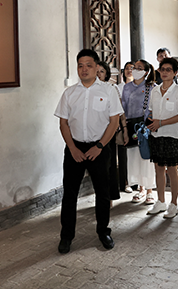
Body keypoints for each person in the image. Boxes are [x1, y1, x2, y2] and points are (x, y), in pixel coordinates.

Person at [54, 49, 123, 254]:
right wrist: (73, 148)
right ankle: (66, 236)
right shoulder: (69, 93)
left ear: (96, 67)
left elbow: (114, 122)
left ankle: (103, 232)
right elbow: (63, 123)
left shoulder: (109, 91)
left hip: (100, 148)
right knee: (70, 195)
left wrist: (100, 146)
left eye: (89, 65)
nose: (84, 69)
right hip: (74, 148)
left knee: (102, 193)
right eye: (80, 66)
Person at [146, 57, 178, 218]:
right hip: (157, 135)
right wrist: (151, 122)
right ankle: (160, 201)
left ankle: (174, 204)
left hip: (173, 136)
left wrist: (161, 123)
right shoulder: (155, 91)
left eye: (168, 70)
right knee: (158, 169)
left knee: (172, 170)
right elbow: (151, 111)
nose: (164, 73)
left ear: (175, 72)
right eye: (162, 69)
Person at [121, 59, 157, 205]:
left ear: (146, 72)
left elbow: (155, 108)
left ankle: (150, 191)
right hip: (131, 127)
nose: (135, 70)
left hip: (146, 127)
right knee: (134, 157)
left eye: (139, 68)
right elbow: (123, 108)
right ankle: (140, 189)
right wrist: (124, 127)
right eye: (134, 67)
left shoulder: (152, 87)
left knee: (146, 157)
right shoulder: (127, 87)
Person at [96, 61, 122, 206]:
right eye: (97, 71)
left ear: (106, 74)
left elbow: (118, 113)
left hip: (108, 132)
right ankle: (100, 196)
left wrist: (123, 128)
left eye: (102, 71)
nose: (98, 74)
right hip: (94, 134)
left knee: (109, 166)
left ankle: (109, 197)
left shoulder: (112, 89)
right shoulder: (88, 90)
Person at [117, 61, 134, 193]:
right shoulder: (119, 87)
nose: (129, 70)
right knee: (123, 154)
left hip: (136, 122)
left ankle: (136, 182)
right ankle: (125, 182)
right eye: (127, 68)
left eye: (132, 68)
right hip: (123, 122)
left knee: (135, 154)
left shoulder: (139, 87)